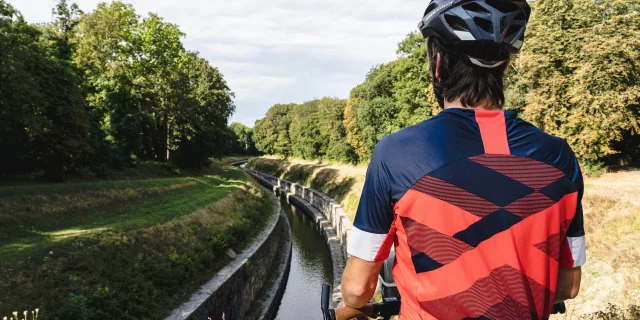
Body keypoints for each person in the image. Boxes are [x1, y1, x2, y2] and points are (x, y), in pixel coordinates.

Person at [340, 0, 586, 319]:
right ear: (506, 66)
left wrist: (354, 307)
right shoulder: (558, 155)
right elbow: (568, 286)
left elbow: (357, 288)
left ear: (437, 63)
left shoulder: (395, 152)